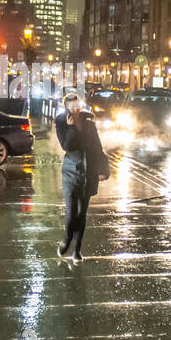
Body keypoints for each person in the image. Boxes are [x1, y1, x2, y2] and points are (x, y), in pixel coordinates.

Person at [54, 92, 109, 263]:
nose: (76, 110)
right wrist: (71, 128)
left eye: (78, 107)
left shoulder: (89, 124)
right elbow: (66, 146)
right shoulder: (61, 122)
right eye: (72, 108)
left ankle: (77, 249)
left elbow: (98, 147)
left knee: (82, 213)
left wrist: (103, 169)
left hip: (89, 171)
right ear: (67, 108)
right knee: (72, 213)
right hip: (71, 172)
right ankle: (66, 240)